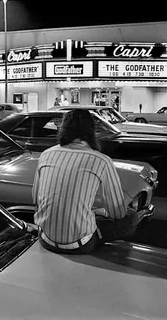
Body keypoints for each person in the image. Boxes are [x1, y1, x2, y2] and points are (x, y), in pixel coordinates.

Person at [32, 109, 141, 255]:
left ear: (63, 129)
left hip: (45, 239)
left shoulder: (46, 154)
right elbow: (117, 213)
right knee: (131, 216)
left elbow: (36, 199)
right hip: (80, 245)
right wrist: (99, 211)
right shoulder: (101, 160)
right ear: (92, 131)